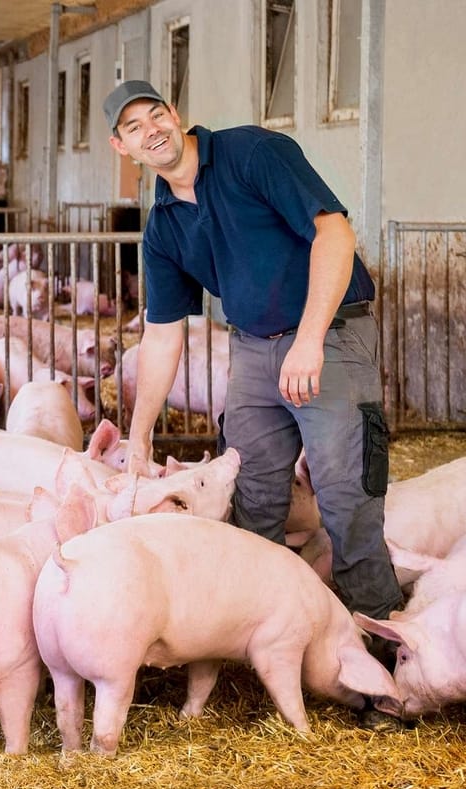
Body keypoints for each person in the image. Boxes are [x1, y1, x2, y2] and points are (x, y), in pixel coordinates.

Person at [103, 81, 404, 726]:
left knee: (345, 498)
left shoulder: (253, 155)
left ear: (175, 116)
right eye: (133, 126)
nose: (151, 129)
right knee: (252, 505)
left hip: (329, 336)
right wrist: (140, 433)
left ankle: (386, 670)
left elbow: (334, 232)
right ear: (121, 146)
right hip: (251, 349)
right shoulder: (163, 225)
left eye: (157, 114)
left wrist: (310, 340)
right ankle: (264, 658)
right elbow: (163, 332)